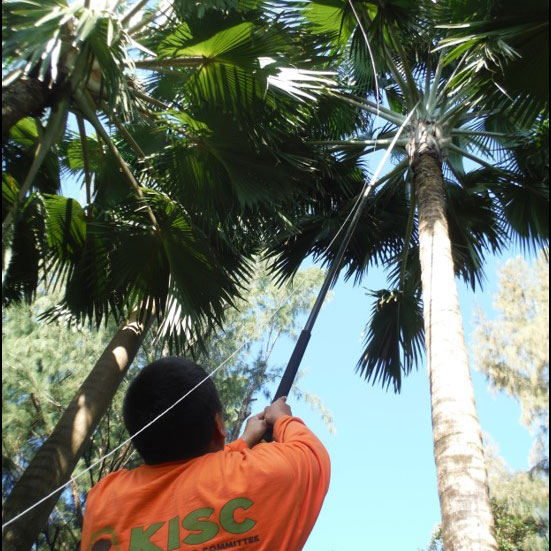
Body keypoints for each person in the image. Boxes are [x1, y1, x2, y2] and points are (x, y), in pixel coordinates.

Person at [80, 357, 331, 551]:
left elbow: (192, 479)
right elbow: (309, 451)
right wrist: (283, 419)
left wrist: (243, 441)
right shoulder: (267, 475)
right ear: (219, 426)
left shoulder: (102, 499)